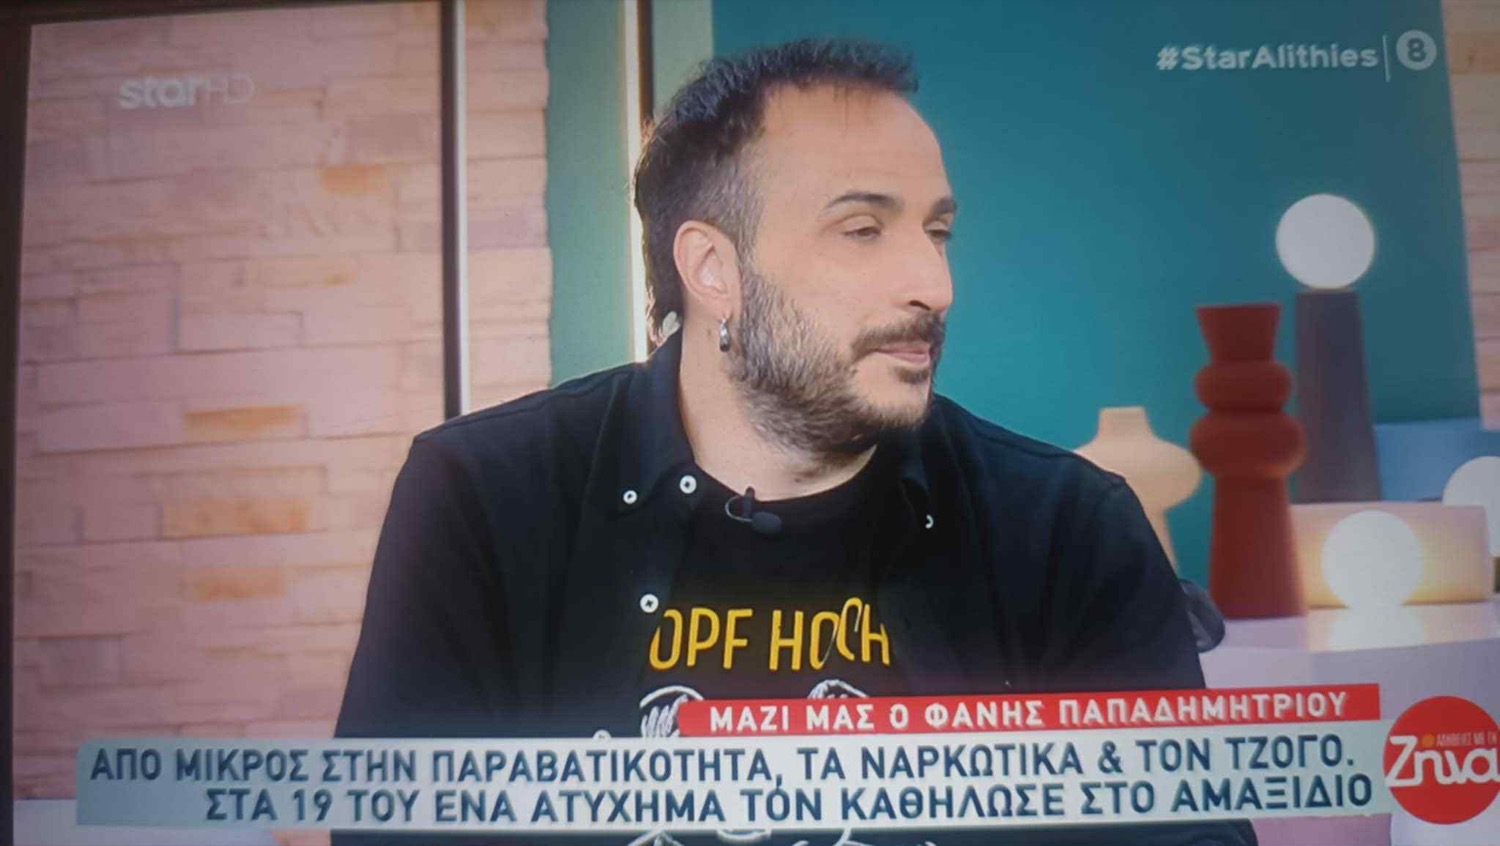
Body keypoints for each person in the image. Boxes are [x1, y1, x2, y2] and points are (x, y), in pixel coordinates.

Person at [336, 38, 1254, 846]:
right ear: (713, 269)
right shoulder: (485, 500)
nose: (934, 284)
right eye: (863, 229)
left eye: (937, 232)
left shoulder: (1066, 532)